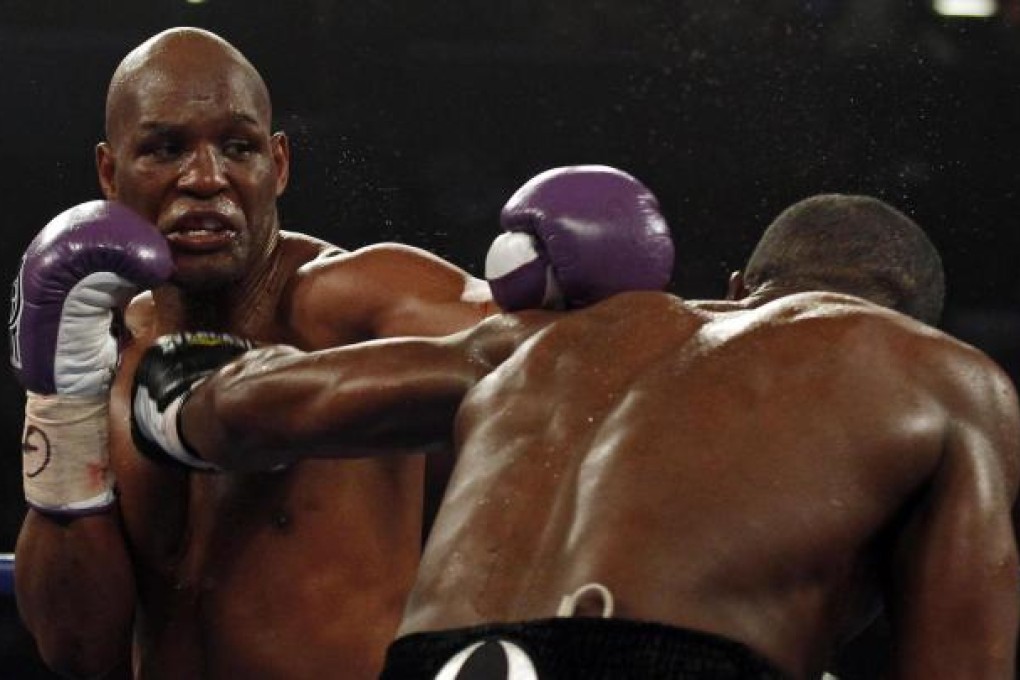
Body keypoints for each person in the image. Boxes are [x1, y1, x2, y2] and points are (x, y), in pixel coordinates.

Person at [7, 26, 675, 679]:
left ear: (279, 164)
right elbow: (76, 650)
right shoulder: (99, 351)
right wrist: (60, 407)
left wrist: (584, 291)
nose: (206, 178)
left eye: (238, 147)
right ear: (109, 171)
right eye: (165, 148)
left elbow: (584, 350)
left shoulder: (363, 303)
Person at [133, 193, 1019, 678]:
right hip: (660, 659)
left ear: (739, 286)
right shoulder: (943, 375)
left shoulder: (563, 335)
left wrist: (172, 394)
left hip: (443, 664)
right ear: (920, 323)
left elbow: (239, 407)